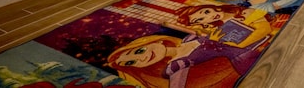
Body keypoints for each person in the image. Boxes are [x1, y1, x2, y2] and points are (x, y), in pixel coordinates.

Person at [106, 33, 260, 88]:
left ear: (155, 41)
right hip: (240, 62)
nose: (142, 57)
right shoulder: (175, 65)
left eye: (139, 50)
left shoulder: (188, 39)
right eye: (132, 63)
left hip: (246, 48)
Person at [172, 3, 272, 49]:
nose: (210, 16)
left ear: (211, 7)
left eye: (207, 11)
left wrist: (240, 45)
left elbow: (265, 29)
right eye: (200, 19)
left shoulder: (245, 12)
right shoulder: (217, 29)